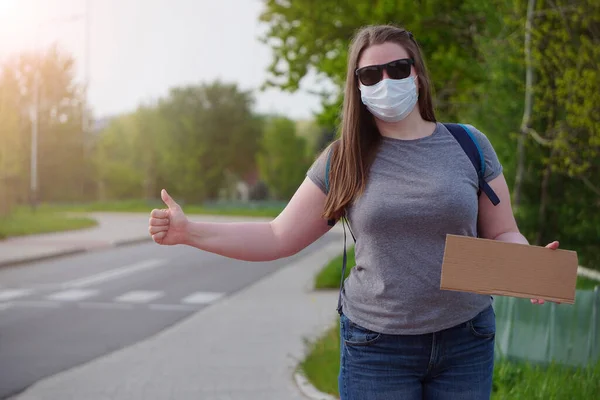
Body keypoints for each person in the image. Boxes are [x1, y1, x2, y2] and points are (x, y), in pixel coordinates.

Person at [148, 24, 559, 400]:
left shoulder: (469, 144)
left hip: (466, 339)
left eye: (398, 68)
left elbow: (503, 232)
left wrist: (528, 267)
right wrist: (189, 232)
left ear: (417, 74)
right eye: (370, 75)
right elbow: (278, 237)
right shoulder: (344, 160)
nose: (386, 81)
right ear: (357, 86)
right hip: (377, 349)